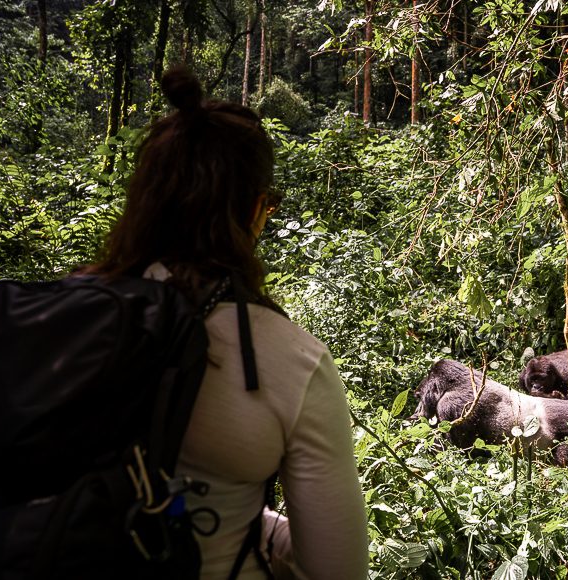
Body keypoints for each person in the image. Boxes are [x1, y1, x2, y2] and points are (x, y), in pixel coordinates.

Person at [84, 66, 369, 579]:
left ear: (144, 200)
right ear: (258, 210)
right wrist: (252, 524)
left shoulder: (64, 313)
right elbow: (336, 569)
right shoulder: (290, 359)